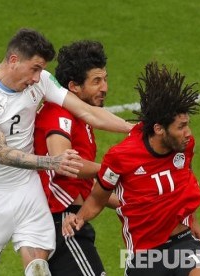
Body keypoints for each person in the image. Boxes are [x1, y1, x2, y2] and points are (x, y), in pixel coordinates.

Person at [0, 28, 133, 276]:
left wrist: (133, 129)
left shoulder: (41, 81)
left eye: (41, 69)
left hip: (26, 188)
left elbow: (87, 112)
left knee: (39, 268)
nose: (38, 77)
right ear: (13, 60)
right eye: (35, 68)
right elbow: (1, 153)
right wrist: (52, 162)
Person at [62, 61, 200, 276]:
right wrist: (79, 218)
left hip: (183, 242)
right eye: (181, 127)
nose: (188, 132)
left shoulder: (184, 146)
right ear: (159, 129)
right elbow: (98, 198)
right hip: (145, 255)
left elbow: (184, 185)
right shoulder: (121, 157)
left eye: (187, 124)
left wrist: (193, 220)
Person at [34, 40, 120, 275]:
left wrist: (128, 203)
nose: (105, 87)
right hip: (62, 225)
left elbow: (86, 185)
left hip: (69, 222)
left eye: (105, 79)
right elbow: (63, 162)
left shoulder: (80, 118)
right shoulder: (58, 113)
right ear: (73, 86)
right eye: (96, 81)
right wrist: (111, 170)